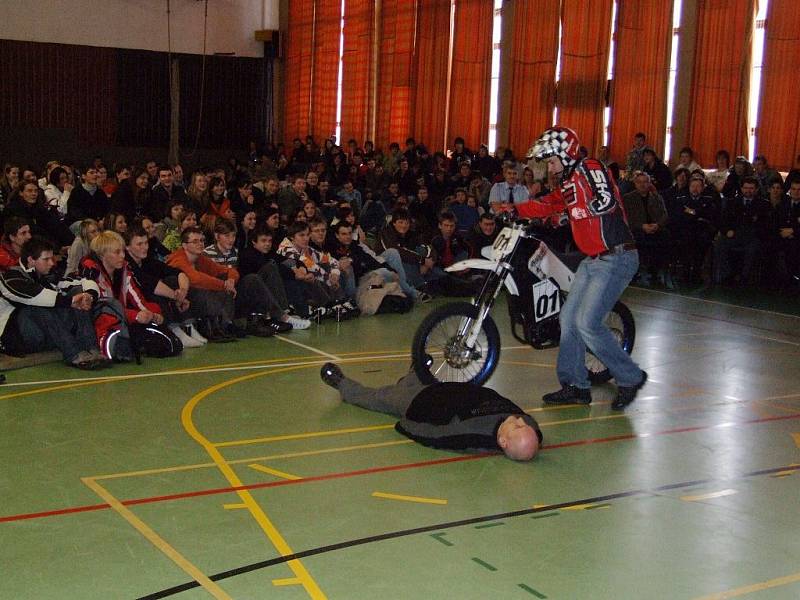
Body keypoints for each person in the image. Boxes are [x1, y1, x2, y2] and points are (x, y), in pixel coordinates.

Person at [512, 126, 647, 410]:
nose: (549, 167)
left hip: (616, 255)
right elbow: (549, 204)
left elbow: (605, 200)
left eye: (551, 160)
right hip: (593, 259)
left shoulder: (590, 167)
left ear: (565, 153)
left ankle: (630, 377)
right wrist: (514, 209)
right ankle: (575, 385)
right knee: (568, 319)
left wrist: (573, 213)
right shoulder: (567, 181)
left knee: (587, 323)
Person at [319, 363, 542, 461]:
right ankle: (413, 374)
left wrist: (405, 426)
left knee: (378, 397)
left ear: (502, 441)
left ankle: (343, 385)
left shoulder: (471, 433)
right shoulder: (526, 425)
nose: (522, 421)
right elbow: (534, 434)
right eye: (526, 426)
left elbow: (435, 437)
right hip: (445, 388)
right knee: (412, 382)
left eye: (518, 427)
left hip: (418, 403)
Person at [0, 237, 107, 369]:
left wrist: (88, 296)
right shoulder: (10, 277)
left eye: (52, 258)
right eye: (46, 259)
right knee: (36, 306)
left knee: (80, 294)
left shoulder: (47, 275)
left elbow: (84, 281)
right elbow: (36, 296)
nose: (52, 263)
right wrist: (71, 301)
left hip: (49, 335)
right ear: (31, 260)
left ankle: (92, 349)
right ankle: (74, 354)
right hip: (20, 339)